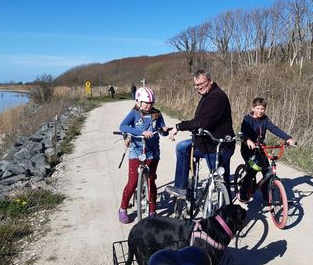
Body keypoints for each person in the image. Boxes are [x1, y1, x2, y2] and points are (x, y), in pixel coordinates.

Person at [166, 69, 235, 198]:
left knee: (221, 183)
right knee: (182, 148)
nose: (199, 88)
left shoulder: (217, 96)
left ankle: (227, 212)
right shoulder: (207, 95)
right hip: (205, 144)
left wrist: (179, 126)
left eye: (201, 84)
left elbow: (203, 121)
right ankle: (181, 187)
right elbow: (201, 121)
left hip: (218, 146)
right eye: (196, 85)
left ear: (210, 81)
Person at [118, 87, 169, 224]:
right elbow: (122, 126)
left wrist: (164, 130)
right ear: (138, 101)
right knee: (133, 182)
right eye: (146, 103)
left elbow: (163, 131)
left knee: (151, 181)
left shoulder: (157, 114)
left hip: (152, 153)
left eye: (151, 103)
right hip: (137, 152)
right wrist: (139, 133)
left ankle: (152, 210)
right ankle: (123, 208)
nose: (149, 105)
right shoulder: (134, 113)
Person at [238, 97, 295, 205]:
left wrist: (288, 138)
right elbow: (243, 133)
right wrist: (248, 140)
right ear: (253, 108)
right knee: (252, 171)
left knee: (267, 171)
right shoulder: (247, 119)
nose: (260, 111)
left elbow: (274, 129)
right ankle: (243, 193)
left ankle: (267, 196)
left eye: (262, 109)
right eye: (258, 108)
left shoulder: (265, 120)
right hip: (248, 150)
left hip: (260, 149)